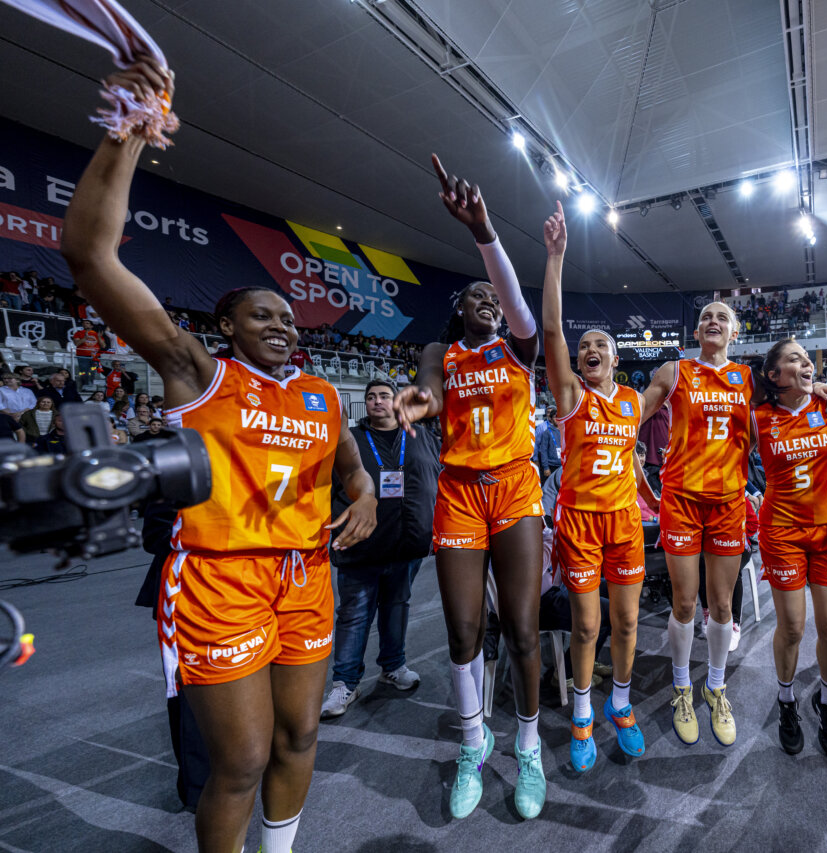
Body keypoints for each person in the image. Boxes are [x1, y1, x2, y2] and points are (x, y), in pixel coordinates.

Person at [60, 57, 378, 853]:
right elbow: (91, 257)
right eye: (261, 315)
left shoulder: (320, 394)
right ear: (228, 326)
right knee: (237, 759)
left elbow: (349, 464)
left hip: (306, 575)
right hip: (220, 579)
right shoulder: (197, 374)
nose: (282, 325)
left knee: (301, 736)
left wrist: (365, 490)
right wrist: (129, 134)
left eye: (288, 317)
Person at [392, 154, 547, 820]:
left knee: (522, 628)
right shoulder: (442, 353)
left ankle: (531, 745)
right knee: (463, 628)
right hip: (458, 490)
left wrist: (484, 230)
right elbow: (428, 390)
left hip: (513, 488)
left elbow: (513, 298)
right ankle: (472, 742)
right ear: (459, 315)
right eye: (473, 299)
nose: (486, 301)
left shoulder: (518, 347)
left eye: (490, 296)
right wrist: (422, 405)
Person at [540, 202, 659, 772]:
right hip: (580, 524)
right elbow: (550, 330)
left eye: (601, 347)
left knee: (629, 622)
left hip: (625, 523)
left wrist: (650, 492)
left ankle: (621, 705)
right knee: (587, 624)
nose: (590, 351)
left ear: (616, 359)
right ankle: (583, 715)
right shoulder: (572, 398)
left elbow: (631, 454)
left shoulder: (633, 402)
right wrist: (556, 259)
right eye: (585, 346)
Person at [639, 301, 755, 747]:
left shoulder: (747, 380)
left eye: (723, 317)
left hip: (727, 503)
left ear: (734, 333)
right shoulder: (674, 371)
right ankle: (683, 687)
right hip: (683, 501)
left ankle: (717, 687)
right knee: (685, 604)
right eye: (706, 316)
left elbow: (780, 419)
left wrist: (823, 391)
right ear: (697, 330)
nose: (713, 321)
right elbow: (630, 420)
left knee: (722, 607)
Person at [753, 339, 827, 758]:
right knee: (794, 628)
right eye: (794, 359)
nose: (806, 364)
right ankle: (786, 701)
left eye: (807, 359)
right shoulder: (758, 417)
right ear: (774, 375)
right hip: (782, 531)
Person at [321, 380, 441, 719]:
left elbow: (437, 480)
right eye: (370, 397)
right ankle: (345, 682)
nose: (377, 402)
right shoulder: (351, 441)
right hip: (362, 546)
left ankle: (393, 666)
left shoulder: (420, 436)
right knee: (355, 614)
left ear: (396, 402)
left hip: (406, 545)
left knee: (397, 606)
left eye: (384, 396)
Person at [534, 402, 562, 480]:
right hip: (551, 465)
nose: (557, 419)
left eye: (558, 417)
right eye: (554, 417)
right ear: (551, 418)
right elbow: (543, 449)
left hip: (563, 464)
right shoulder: (546, 431)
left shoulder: (565, 430)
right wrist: (546, 467)